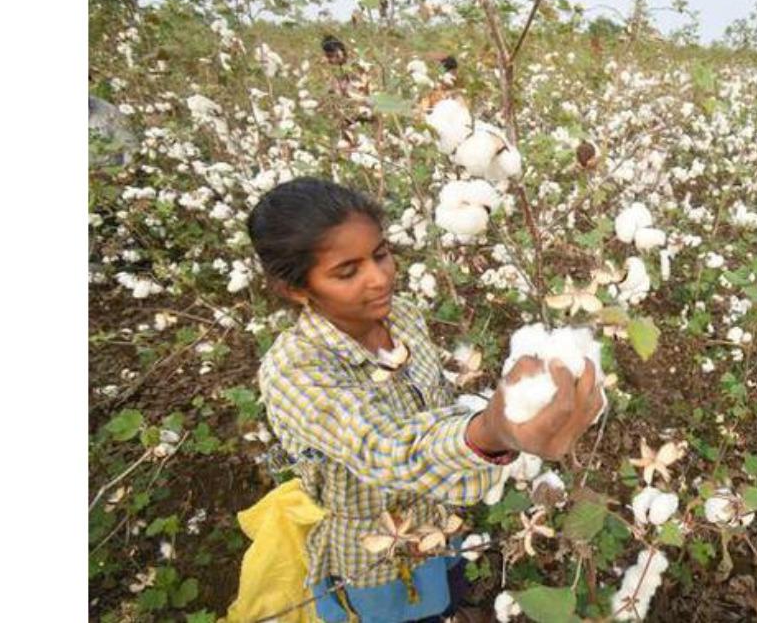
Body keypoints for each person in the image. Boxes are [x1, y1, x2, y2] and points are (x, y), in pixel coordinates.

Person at [245, 177, 603, 621]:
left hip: (441, 520)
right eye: (347, 272)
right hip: (377, 557)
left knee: (449, 589)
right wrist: (491, 430)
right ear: (296, 289)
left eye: (380, 254)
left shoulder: (404, 316)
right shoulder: (293, 373)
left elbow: (434, 409)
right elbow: (385, 449)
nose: (379, 279)